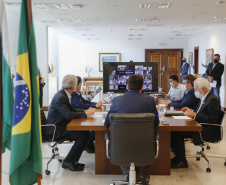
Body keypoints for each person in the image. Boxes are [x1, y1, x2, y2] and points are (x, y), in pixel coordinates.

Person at [104, 74, 159, 184]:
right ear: (142, 86)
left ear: (127, 86)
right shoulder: (150, 100)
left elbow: (106, 123)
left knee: (124, 143)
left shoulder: (116, 100)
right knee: (140, 144)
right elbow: (156, 123)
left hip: (120, 147)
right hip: (144, 145)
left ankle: (129, 174)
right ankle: (136, 174)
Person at [46, 75, 96, 171]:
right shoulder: (61, 97)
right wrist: (85, 113)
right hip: (56, 130)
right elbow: (68, 115)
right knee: (82, 135)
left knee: (85, 133)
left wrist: (86, 111)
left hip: (60, 126)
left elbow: (72, 109)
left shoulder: (63, 94)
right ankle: (68, 161)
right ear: (74, 86)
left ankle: (72, 161)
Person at [171, 78, 221, 169]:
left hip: (206, 130)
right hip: (199, 126)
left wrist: (195, 114)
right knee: (174, 130)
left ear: (203, 89)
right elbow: (201, 112)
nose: (194, 91)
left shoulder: (212, 100)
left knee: (177, 132)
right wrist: (191, 111)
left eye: (196, 89)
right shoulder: (205, 97)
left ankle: (182, 161)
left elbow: (212, 120)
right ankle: (178, 157)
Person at [71, 76, 103, 153]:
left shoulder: (77, 93)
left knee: (96, 124)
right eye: (81, 84)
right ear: (77, 85)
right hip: (76, 117)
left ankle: (89, 143)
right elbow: (80, 105)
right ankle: (88, 144)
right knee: (96, 126)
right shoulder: (73, 94)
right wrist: (95, 106)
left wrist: (95, 104)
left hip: (79, 114)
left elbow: (85, 102)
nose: (81, 86)